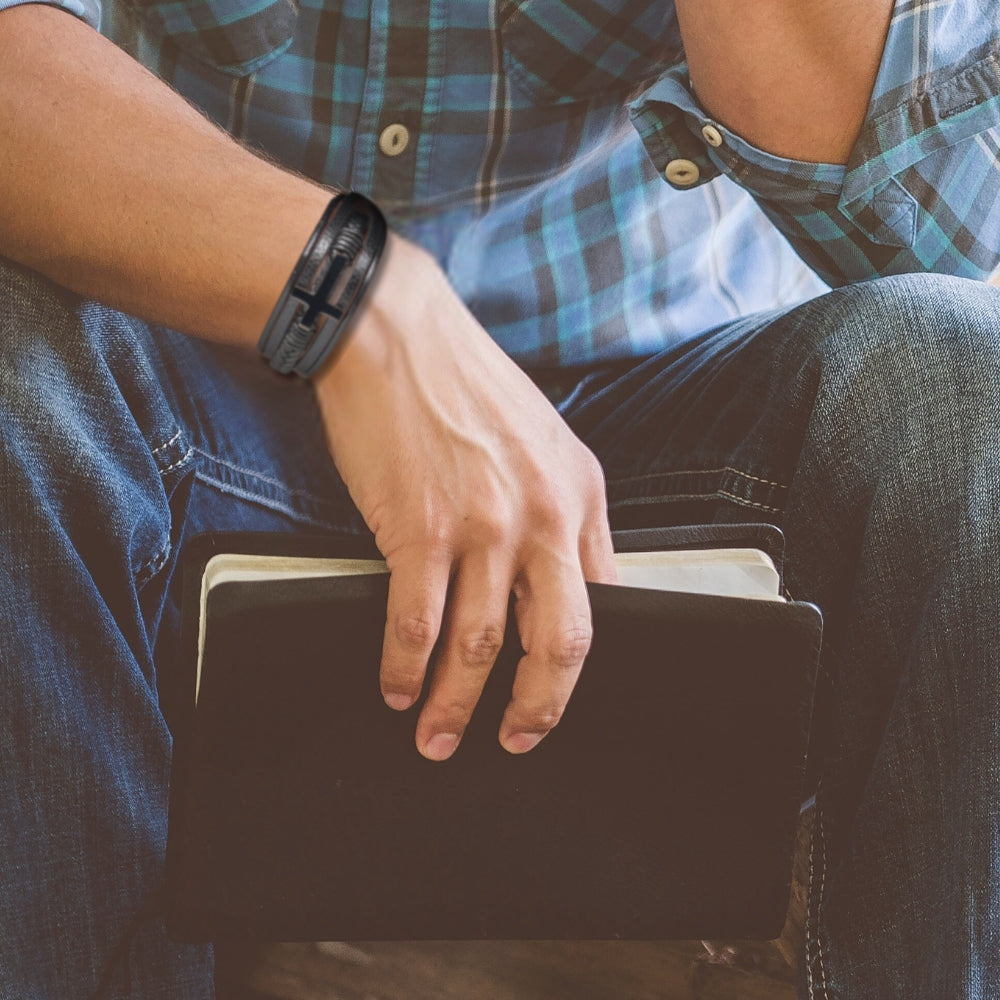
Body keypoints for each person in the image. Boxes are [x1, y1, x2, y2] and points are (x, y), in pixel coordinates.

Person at [1, 0, 999, 997]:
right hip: (182, 407)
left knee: (967, 389)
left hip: (661, 444)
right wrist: (355, 297)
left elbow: (926, 237)